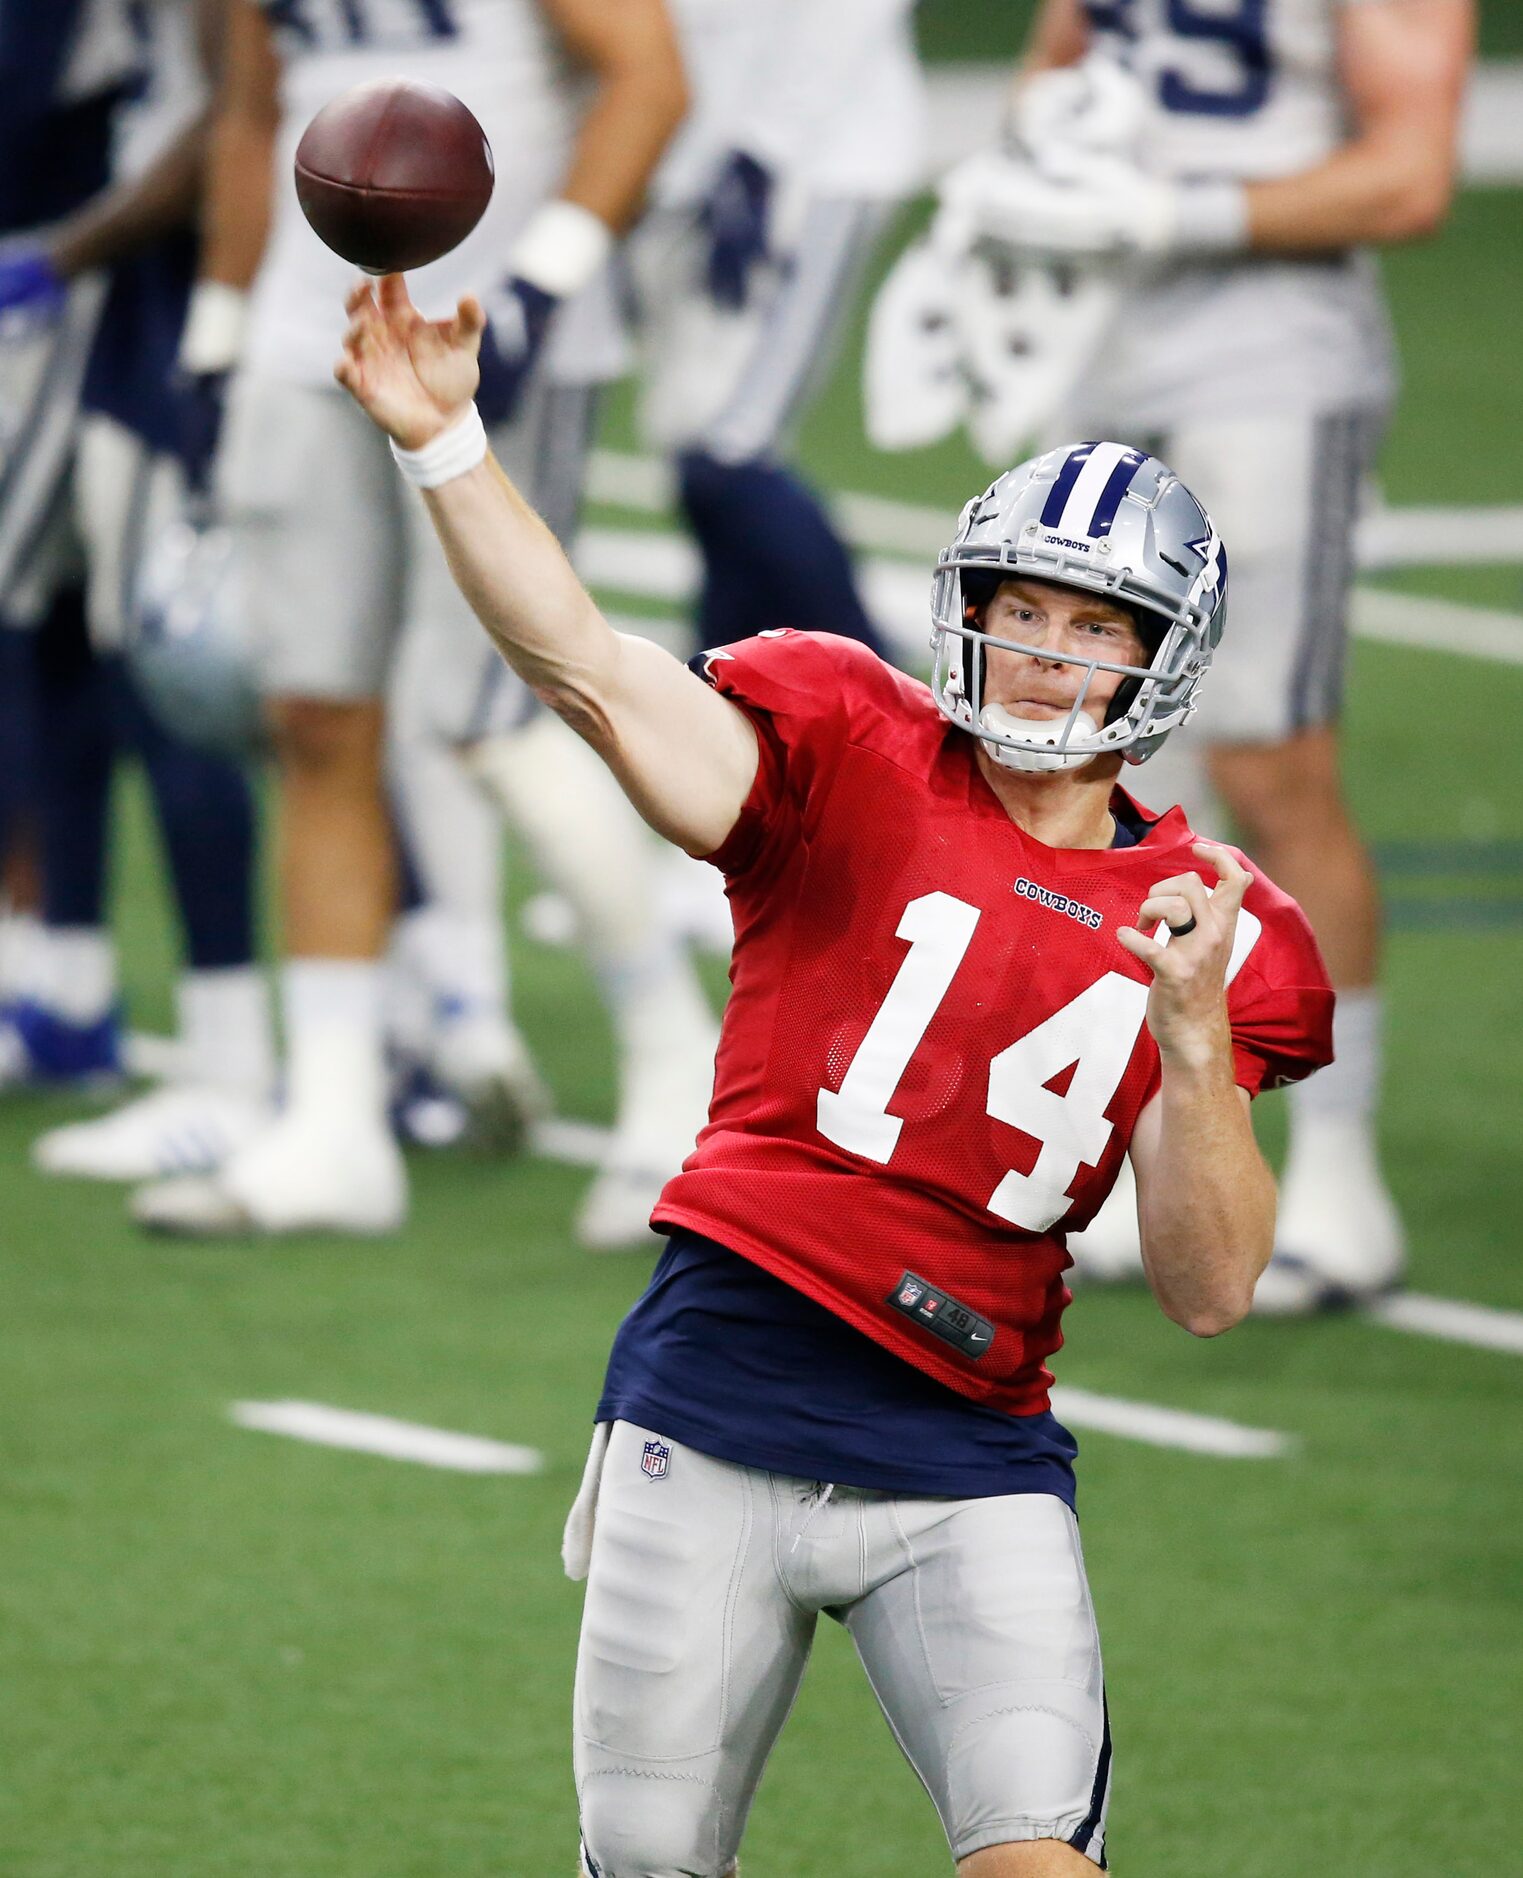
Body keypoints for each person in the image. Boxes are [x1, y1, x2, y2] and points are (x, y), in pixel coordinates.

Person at [335, 278, 1334, 1874]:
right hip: (713, 1398)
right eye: (1019, 605)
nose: (1037, 652)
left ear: (1157, 660)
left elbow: (1209, 1287)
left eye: (1090, 626)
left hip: (964, 1450)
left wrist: (1195, 1043)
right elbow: (587, 666)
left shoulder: (1211, 924)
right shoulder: (846, 737)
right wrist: (447, 441)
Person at [134, 0, 718, 1243]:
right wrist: (218, 328)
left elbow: (649, 77)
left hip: (485, 334)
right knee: (315, 716)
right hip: (309, 336)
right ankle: (335, 1122)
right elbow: (253, 111)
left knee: (491, 714)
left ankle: (679, 1072)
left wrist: (541, 286)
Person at [935, 0, 1473, 1311]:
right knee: (1082, 755)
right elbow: (1054, 75)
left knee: (1270, 759)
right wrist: (1020, 193)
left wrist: (1169, 217)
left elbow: (1407, 174)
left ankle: (1338, 1174)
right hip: (1099, 343)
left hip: (1264, 360)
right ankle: (1117, 1134)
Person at [0, 0, 268, 1142]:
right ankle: (67, 985)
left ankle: (236, 1063)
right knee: (69, 636)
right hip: (142, 293)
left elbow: (236, 112)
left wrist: (62, 253)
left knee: (180, 670)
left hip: (179, 295)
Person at [626, 0, 925, 654]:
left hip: (810, 161)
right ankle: (730, 669)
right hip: (696, 156)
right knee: (691, 443)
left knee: (727, 446)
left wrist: (765, 148)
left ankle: (867, 672)